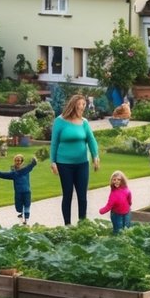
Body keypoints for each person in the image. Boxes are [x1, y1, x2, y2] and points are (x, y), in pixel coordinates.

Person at [49, 93, 100, 225]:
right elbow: (54, 143)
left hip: (82, 163)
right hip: (64, 163)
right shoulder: (60, 121)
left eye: (84, 105)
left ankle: (82, 224)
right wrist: (52, 161)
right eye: (80, 105)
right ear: (73, 105)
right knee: (68, 194)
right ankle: (67, 225)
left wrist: (95, 156)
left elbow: (91, 140)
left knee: (82, 196)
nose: (82, 107)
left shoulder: (84, 123)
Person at [0, 153, 36, 225]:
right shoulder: (17, 172)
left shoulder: (22, 171)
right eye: (17, 160)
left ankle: (26, 220)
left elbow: (32, 165)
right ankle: (22, 216)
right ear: (15, 161)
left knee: (26, 205)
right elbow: (4, 175)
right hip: (20, 191)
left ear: (22, 161)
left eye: (19, 160)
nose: (18, 162)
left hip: (25, 191)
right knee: (19, 206)